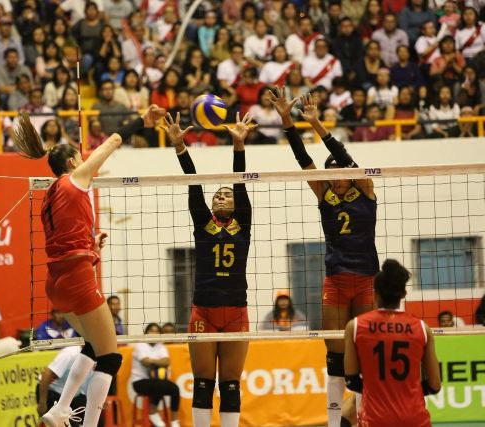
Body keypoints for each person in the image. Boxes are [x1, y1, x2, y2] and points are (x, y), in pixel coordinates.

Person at [13, 105, 165, 427]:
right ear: (72, 163)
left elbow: (63, 240)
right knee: (111, 357)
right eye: (80, 159)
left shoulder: (49, 195)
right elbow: (112, 141)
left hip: (57, 284)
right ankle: (89, 424)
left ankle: (59, 409)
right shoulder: (75, 179)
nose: (85, 164)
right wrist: (142, 120)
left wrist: (91, 248)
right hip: (77, 281)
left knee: (92, 347)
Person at [268, 87, 378, 427]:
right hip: (336, 279)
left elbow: (343, 154)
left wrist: (316, 124)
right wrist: (287, 120)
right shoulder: (324, 194)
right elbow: (304, 160)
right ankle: (333, 423)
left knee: (364, 352)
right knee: (335, 356)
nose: (336, 178)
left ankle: (364, 418)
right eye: (331, 174)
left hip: (365, 281)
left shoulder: (366, 190)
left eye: (340, 172)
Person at [162, 111, 255, 427]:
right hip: (203, 311)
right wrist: (179, 147)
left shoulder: (243, 224)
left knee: (230, 385)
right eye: (218, 195)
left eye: (226, 193)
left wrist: (238, 145)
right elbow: (194, 187)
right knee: (203, 383)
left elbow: (240, 184)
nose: (221, 195)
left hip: (236, 312)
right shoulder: (204, 225)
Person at [344, 259, 441, 427]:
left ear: (375, 294)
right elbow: (435, 385)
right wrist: (409, 391)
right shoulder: (422, 328)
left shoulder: (356, 326)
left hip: (376, 420)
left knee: (344, 415)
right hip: (415, 419)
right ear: (403, 294)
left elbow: (351, 380)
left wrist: (377, 390)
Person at [131, 323, 181, 427]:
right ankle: (152, 412)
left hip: (156, 381)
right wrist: (159, 361)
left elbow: (167, 362)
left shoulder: (160, 346)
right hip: (139, 382)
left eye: (157, 331)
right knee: (160, 384)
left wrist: (152, 361)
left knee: (175, 389)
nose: (154, 333)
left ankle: (174, 422)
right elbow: (145, 362)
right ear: (146, 333)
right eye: (151, 331)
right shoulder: (141, 345)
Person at [37, 346, 90, 427]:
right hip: (52, 392)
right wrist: (42, 402)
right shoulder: (70, 353)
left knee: (97, 421)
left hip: (75, 395)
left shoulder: (99, 358)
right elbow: (47, 373)